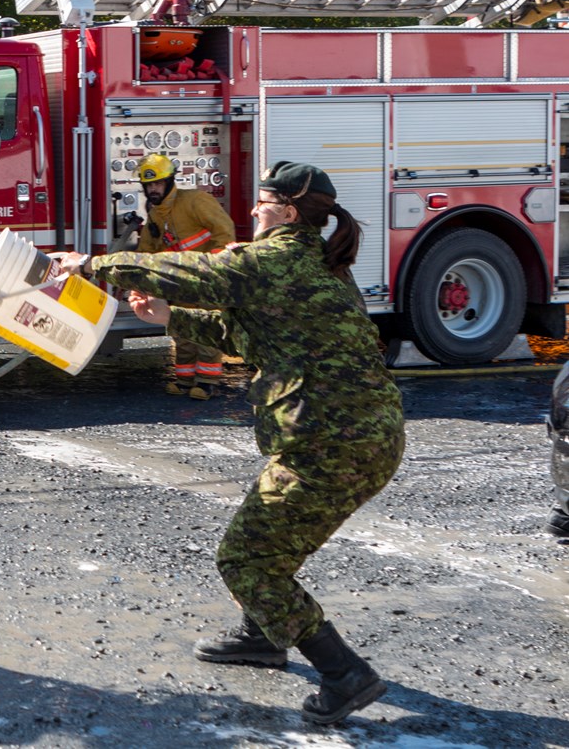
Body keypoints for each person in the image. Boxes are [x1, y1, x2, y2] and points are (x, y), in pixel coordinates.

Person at [53, 161, 404, 726]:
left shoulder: (274, 258)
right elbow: (247, 332)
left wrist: (95, 264)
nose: (254, 210)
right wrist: (169, 316)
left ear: (288, 212)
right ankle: (262, 635)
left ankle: (344, 674)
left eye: (263, 203)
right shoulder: (316, 262)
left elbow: (195, 271)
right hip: (356, 436)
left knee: (248, 560)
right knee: (267, 544)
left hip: (329, 444)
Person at [133, 153, 236, 399]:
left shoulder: (195, 201)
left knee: (207, 330)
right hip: (179, 284)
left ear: (169, 181)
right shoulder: (156, 215)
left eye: (158, 183)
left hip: (206, 280)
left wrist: (214, 268)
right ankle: (185, 380)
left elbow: (225, 231)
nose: (153, 189)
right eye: (149, 185)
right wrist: (139, 282)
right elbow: (146, 252)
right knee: (182, 332)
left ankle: (207, 381)